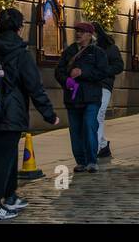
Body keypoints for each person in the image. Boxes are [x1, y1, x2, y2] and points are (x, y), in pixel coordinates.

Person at [0, 8, 60, 221]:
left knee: (9, 154)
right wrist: (49, 114)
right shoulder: (21, 54)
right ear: (19, 27)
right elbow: (35, 86)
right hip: (10, 113)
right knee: (3, 159)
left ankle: (10, 196)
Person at [54, 21, 110, 173]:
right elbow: (58, 71)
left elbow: (103, 72)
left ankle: (91, 161)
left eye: (82, 31)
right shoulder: (69, 51)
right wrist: (66, 80)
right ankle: (81, 161)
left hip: (91, 98)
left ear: (90, 35)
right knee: (75, 130)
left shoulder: (97, 52)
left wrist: (82, 73)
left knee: (89, 126)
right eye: (77, 31)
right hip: (72, 98)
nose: (78, 34)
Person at [92, 21, 125, 160]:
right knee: (93, 116)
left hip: (104, 86)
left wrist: (105, 71)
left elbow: (119, 65)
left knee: (99, 115)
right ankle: (103, 145)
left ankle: (96, 148)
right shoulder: (85, 48)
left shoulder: (111, 48)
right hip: (90, 87)